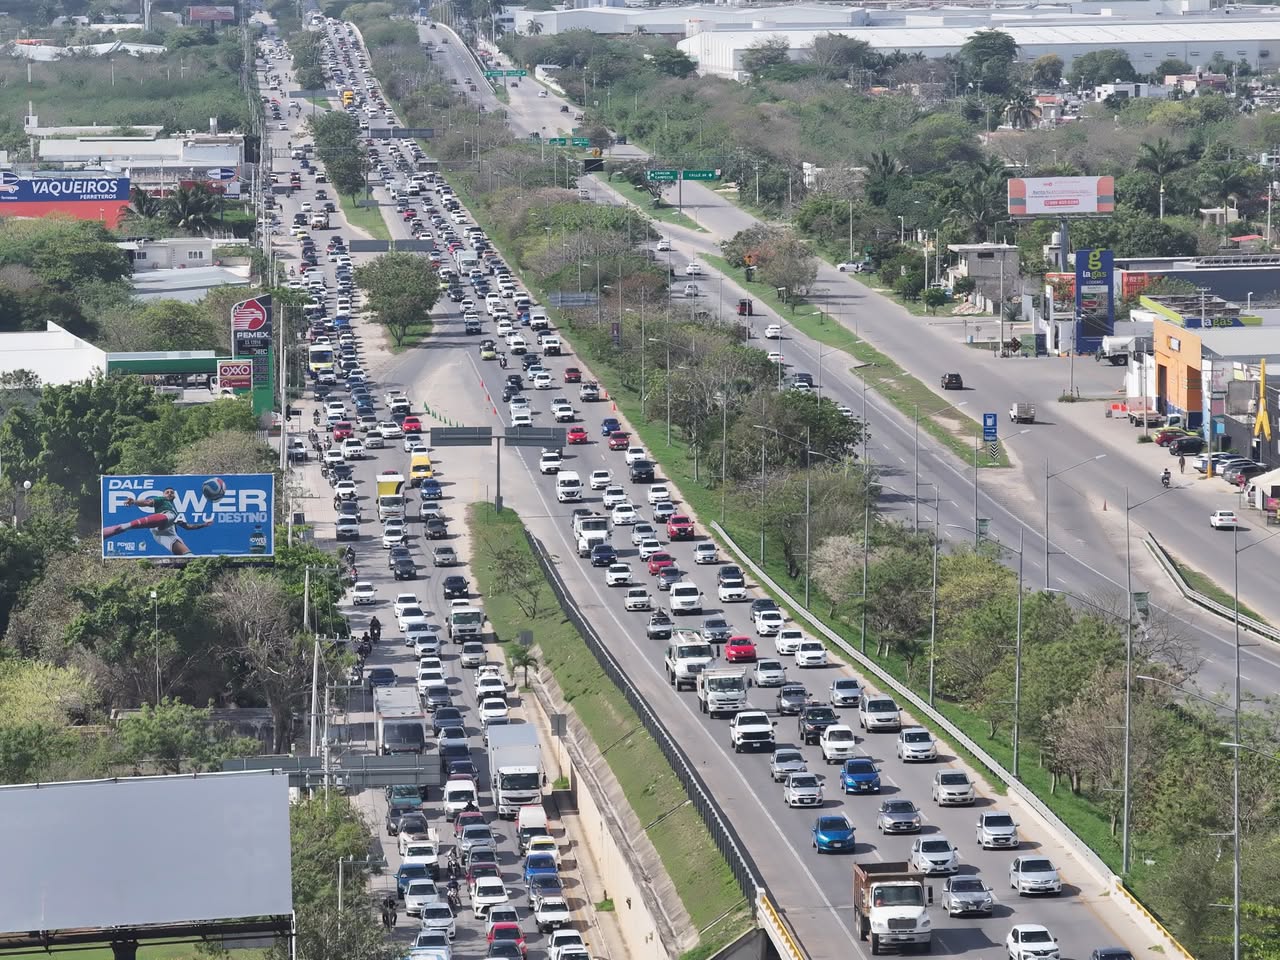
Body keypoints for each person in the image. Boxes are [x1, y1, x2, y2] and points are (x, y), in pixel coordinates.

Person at [101, 488, 213, 556]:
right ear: (163, 495)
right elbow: (148, 502)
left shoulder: (175, 512)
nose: (169, 493)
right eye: (167, 492)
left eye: (172, 492)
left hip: (166, 534)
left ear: (174, 496)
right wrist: (134, 502)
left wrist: (204, 525)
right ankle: (126, 526)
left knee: (188, 555)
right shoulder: (162, 500)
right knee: (170, 515)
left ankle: (122, 527)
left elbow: (187, 526)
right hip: (160, 522)